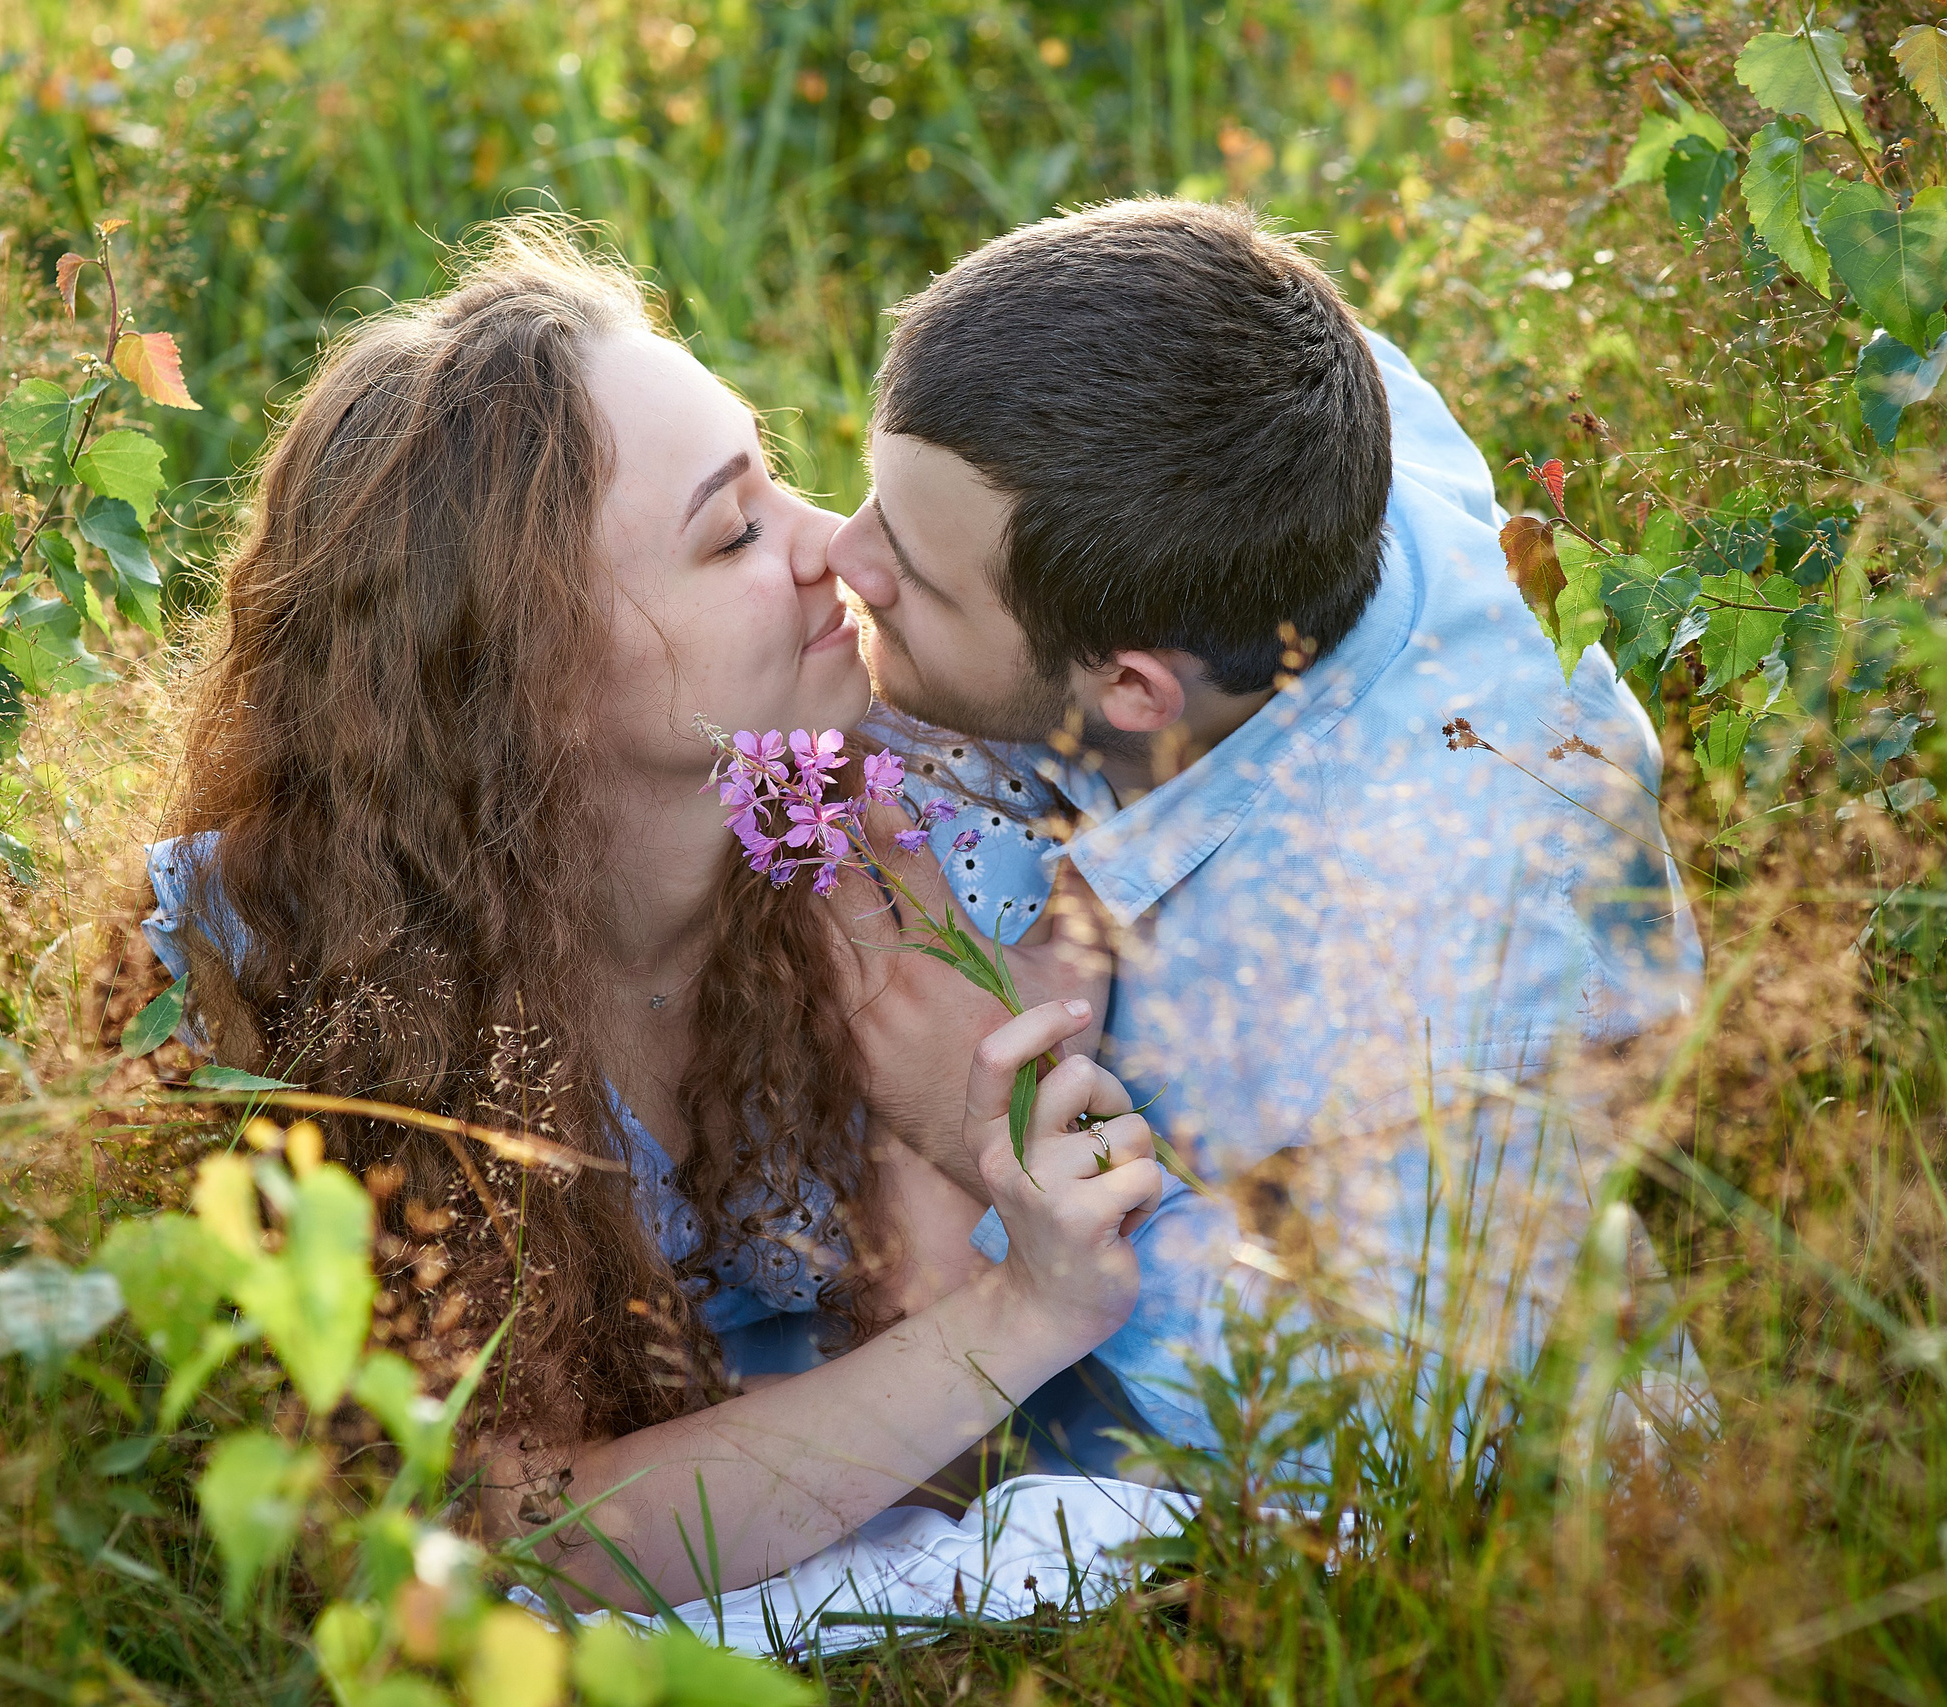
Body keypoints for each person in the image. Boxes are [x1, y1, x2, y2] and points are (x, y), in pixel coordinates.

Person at [138, 222, 1163, 1611]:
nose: (840, 550)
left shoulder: (880, 841)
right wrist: (1023, 1307)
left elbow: (934, 1456)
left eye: (777, 477)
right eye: (736, 527)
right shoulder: (297, 962)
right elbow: (528, 1525)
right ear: (530, 676)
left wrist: (950, 1163)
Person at [830, 199, 1707, 1452]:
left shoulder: (1423, 948)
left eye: (908, 572)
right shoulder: (1285, 446)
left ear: (1133, 687)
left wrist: (992, 1139)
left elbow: (1427, 1433)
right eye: (873, 500)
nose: (839, 556)